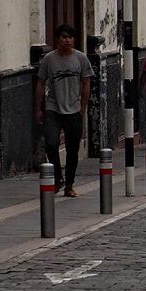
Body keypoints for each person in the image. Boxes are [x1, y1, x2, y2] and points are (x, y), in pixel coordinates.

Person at [35, 23, 92, 198]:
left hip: (74, 109)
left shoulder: (81, 59)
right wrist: (38, 108)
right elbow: (40, 83)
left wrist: (83, 108)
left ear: (73, 40)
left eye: (69, 37)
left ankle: (69, 184)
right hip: (53, 108)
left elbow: (86, 84)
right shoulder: (49, 59)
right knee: (51, 144)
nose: (66, 40)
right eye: (63, 37)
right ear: (57, 39)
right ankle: (57, 178)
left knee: (72, 149)